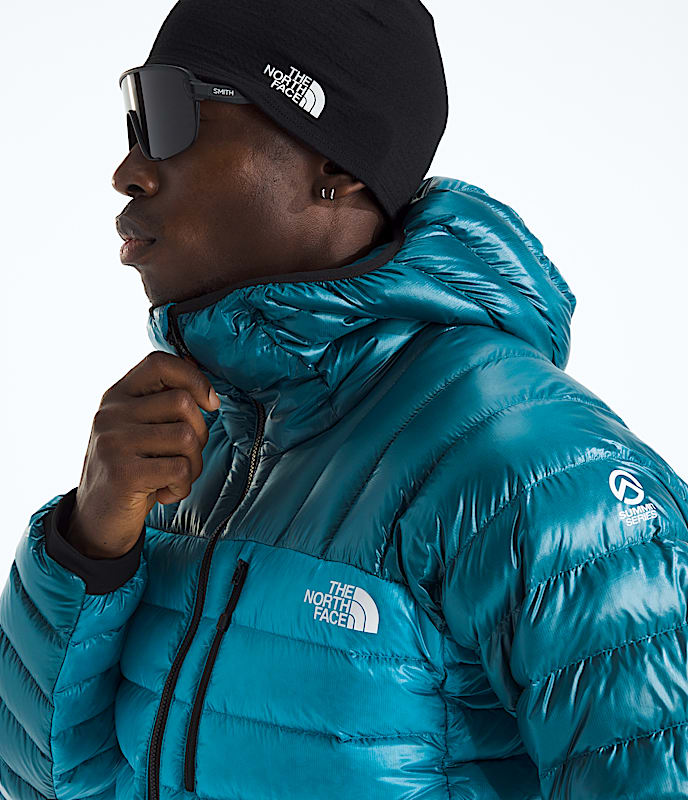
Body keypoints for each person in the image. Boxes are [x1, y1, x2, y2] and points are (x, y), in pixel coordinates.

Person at [1, 1, 687, 798]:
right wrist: (88, 548)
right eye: (133, 118)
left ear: (335, 163)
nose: (129, 170)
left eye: (169, 113)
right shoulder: (202, 442)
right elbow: (51, 781)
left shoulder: (536, 470)